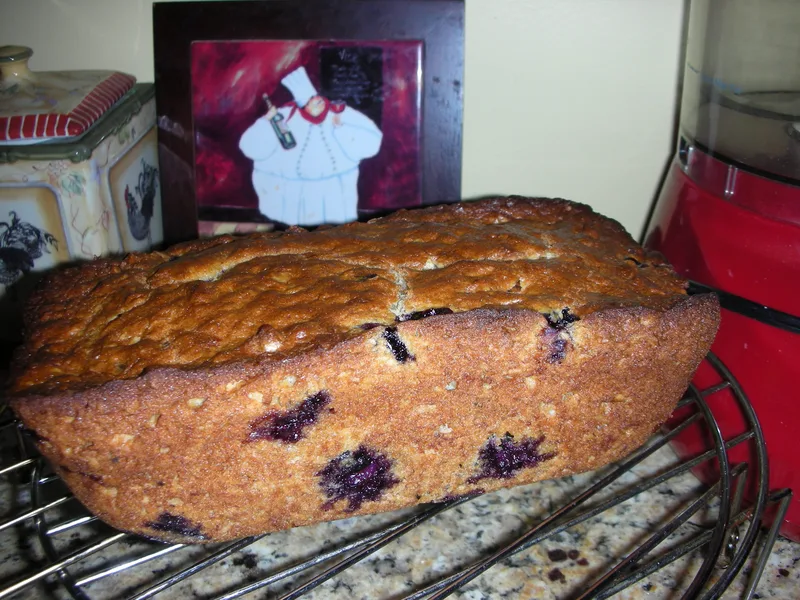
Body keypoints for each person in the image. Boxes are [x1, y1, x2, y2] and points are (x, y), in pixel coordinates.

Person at [239, 66, 383, 226]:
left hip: (334, 196)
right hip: (289, 199)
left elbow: (372, 144)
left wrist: (341, 129)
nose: (320, 104)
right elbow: (250, 148)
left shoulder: (340, 113)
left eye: (319, 100)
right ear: (302, 107)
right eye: (312, 102)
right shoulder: (282, 116)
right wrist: (267, 124)